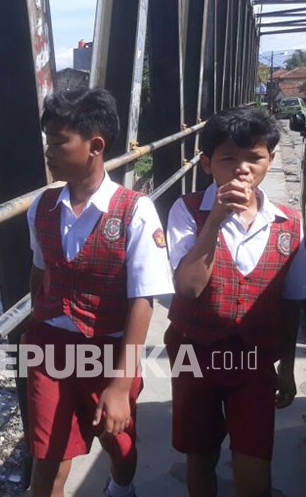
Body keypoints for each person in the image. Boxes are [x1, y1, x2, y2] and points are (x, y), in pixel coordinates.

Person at [22, 88, 174, 497]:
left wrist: (121, 385)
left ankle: (121, 487)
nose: (49, 152)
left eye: (58, 142)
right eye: (48, 142)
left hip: (108, 350)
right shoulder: (43, 207)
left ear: (95, 146)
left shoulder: (134, 210)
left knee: (119, 444)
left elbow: (143, 299)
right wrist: (35, 327)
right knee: (48, 457)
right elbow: (40, 274)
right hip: (49, 349)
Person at [165, 106, 306, 497]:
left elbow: (291, 301)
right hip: (196, 354)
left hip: (254, 360)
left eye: (254, 157)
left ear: (270, 161)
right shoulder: (188, 212)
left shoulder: (288, 224)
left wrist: (288, 369)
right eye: (229, 158)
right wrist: (214, 221)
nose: (242, 169)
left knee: (254, 467)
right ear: (208, 164)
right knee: (201, 455)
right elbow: (189, 288)